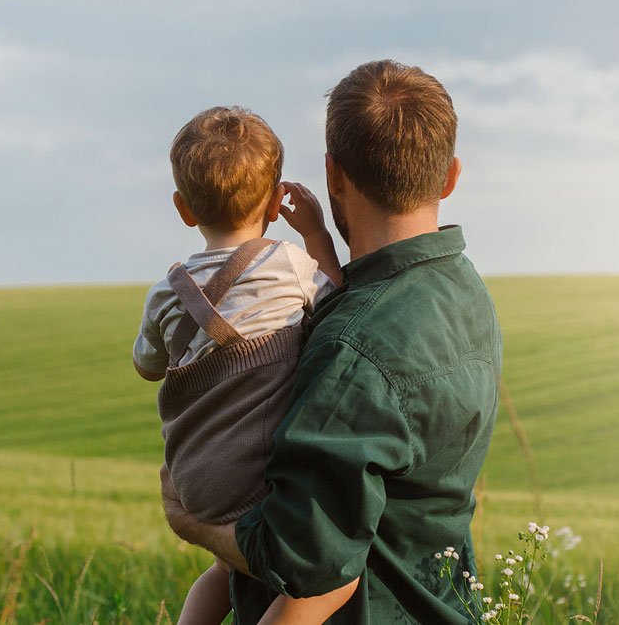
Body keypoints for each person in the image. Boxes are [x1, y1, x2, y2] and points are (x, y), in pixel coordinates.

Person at [160, 60, 502, 624]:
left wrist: (192, 520)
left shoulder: (351, 349)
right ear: (449, 177)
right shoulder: (464, 292)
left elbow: (304, 563)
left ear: (333, 176)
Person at [133, 106, 359, 624]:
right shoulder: (288, 265)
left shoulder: (166, 293)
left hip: (194, 479)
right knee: (329, 580)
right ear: (277, 200)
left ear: (183, 209)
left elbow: (148, 366)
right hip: (255, 477)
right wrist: (317, 234)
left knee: (224, 571)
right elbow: (338, 300)